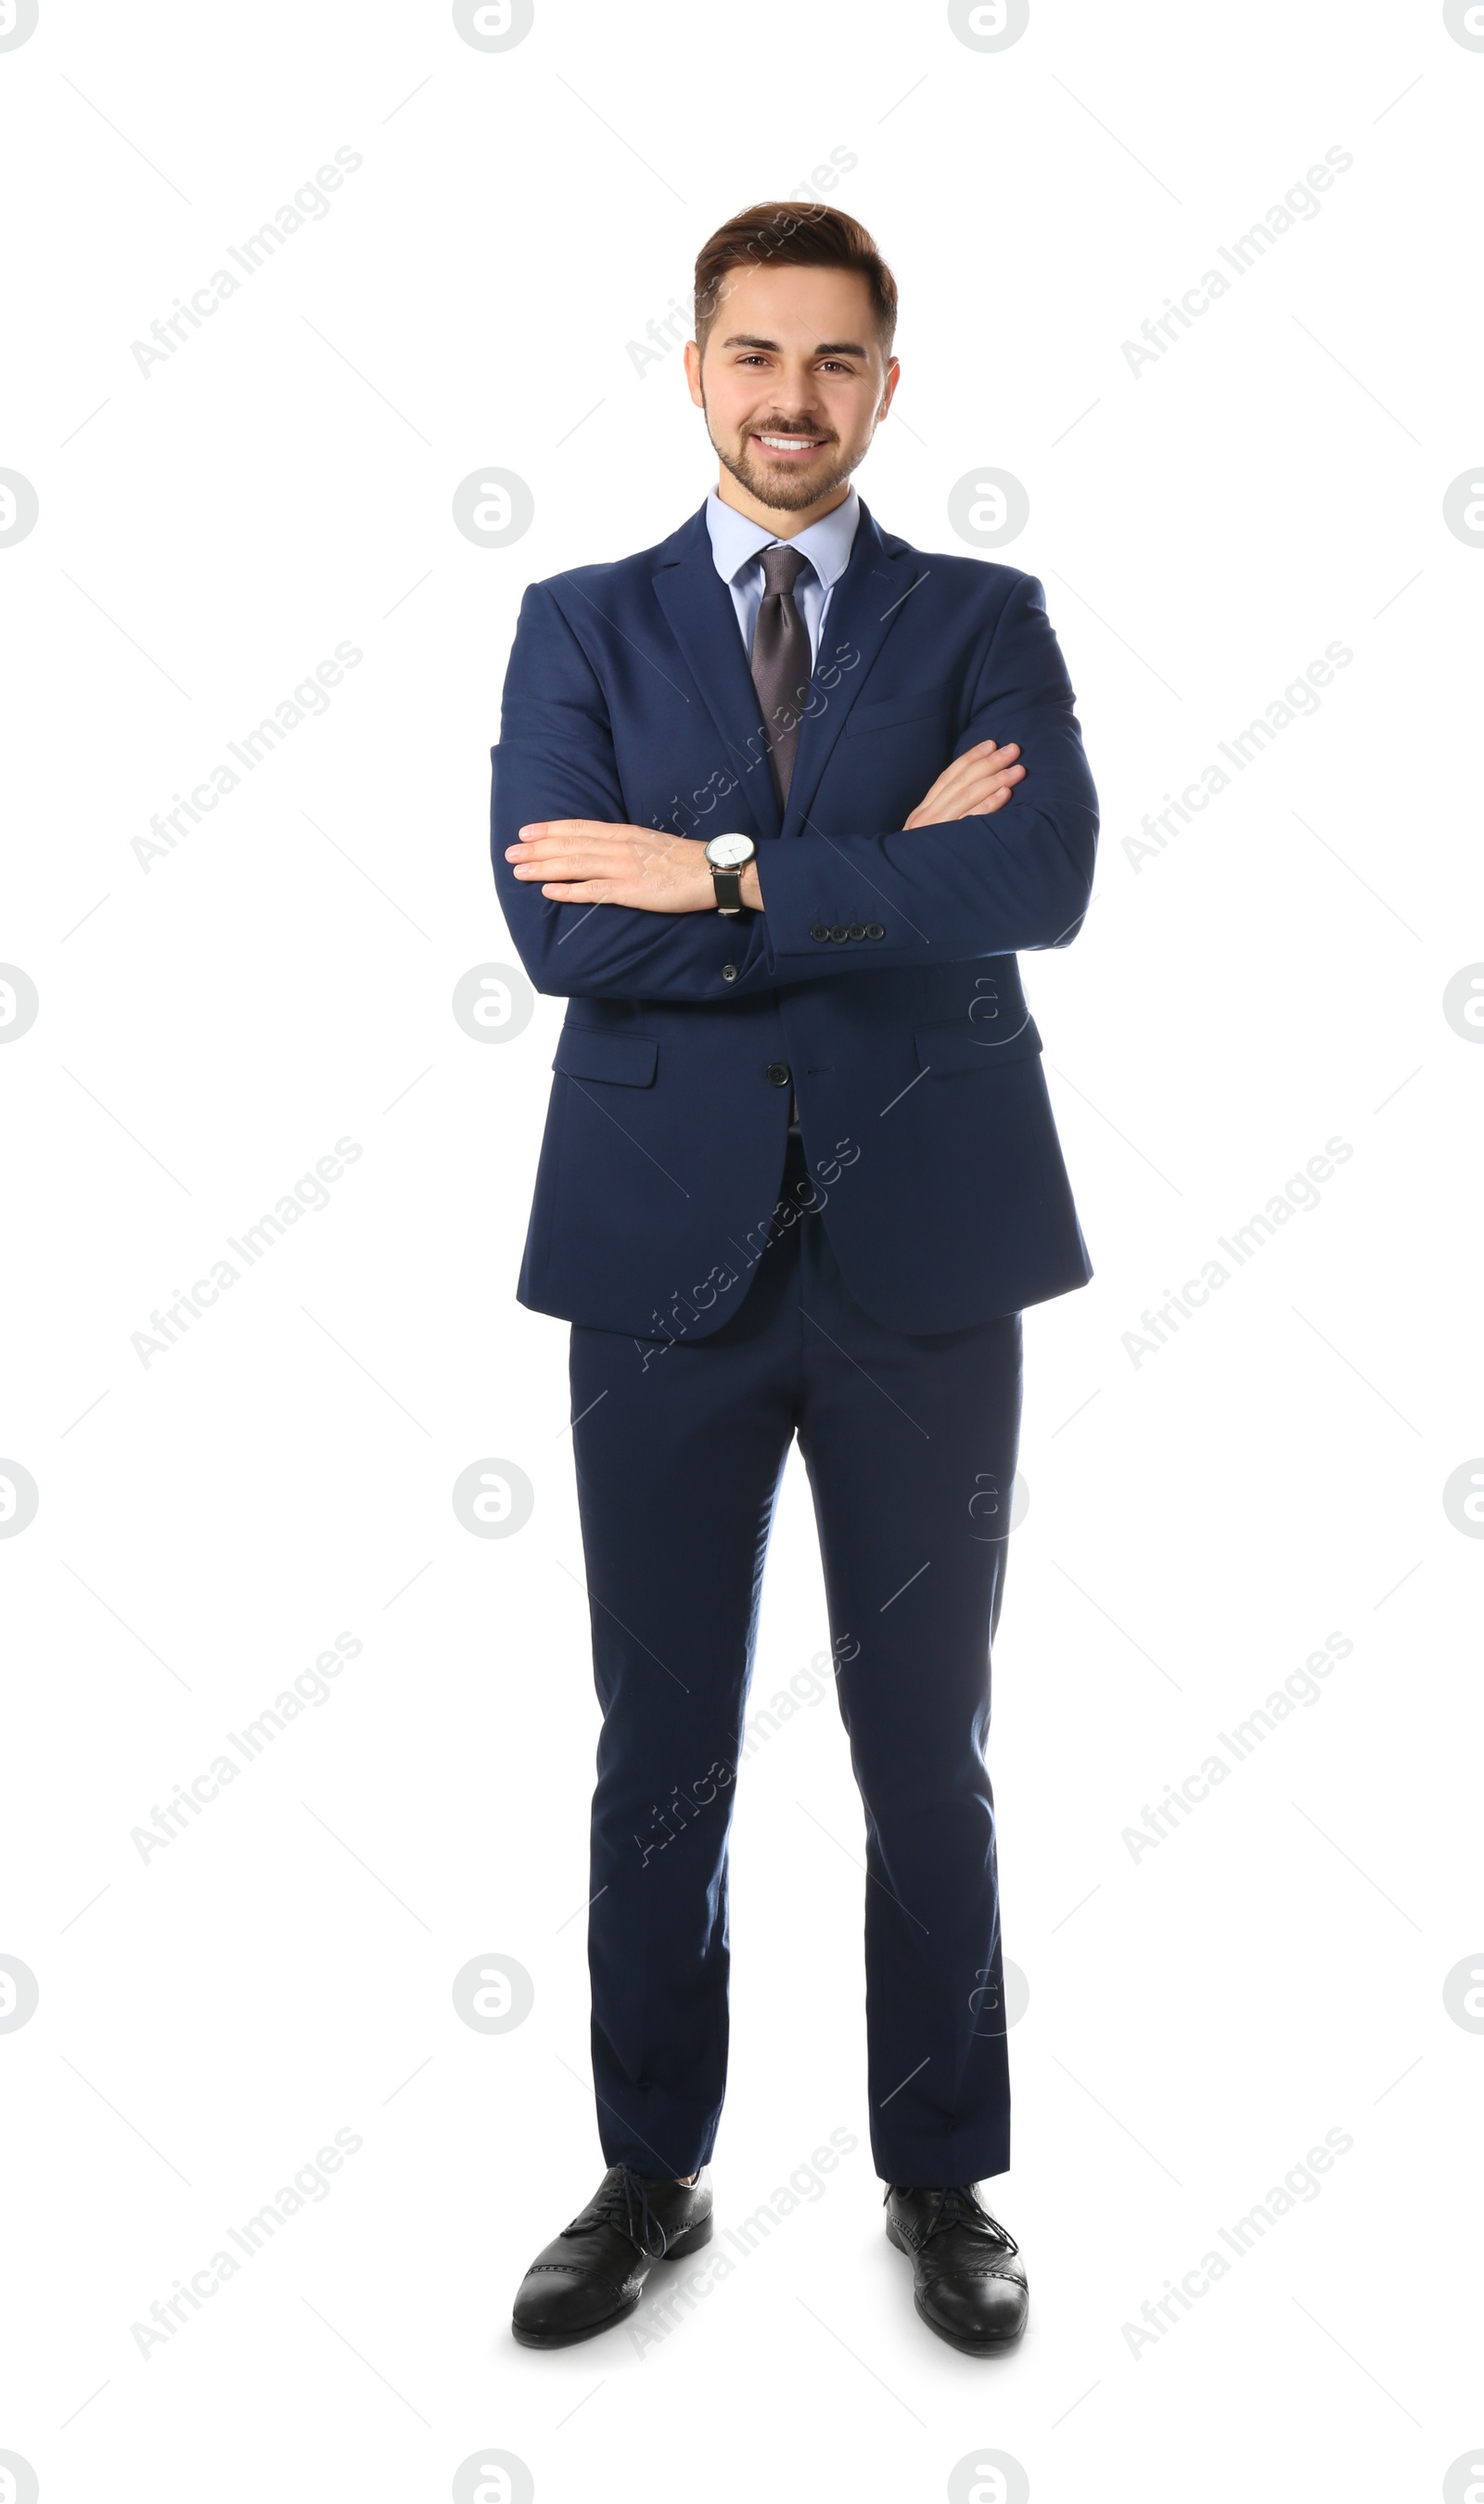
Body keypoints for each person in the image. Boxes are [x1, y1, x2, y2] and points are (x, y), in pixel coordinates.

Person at [491, 200, 1097, 2355]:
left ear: (885, 387)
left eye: (833, 363)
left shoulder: (980, 617)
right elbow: (566, 929)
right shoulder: (578, 627)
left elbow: (1039, 876)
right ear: (693, 370)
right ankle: (648, 2168)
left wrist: (727, 868)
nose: (789, 400)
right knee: (655, 1738)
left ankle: (940, 2176)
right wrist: (875, 880)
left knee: (923, 1739)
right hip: (655, 1261)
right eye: (754, 356)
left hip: (924, 1256)